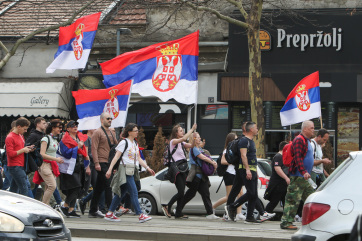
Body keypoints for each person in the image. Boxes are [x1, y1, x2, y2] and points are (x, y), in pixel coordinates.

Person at [106, 123, 155, 223]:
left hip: (132, 170)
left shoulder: (135, 143)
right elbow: (116, 157)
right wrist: (110, 169)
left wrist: (148, 168)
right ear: (129, 132)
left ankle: (110, 213)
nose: (137, 132)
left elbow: (138, 158)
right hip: (125, 170)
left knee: (121, 192)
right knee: (134, 192)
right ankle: (140, 214)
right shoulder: (124, 142)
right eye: (135, 130)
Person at [280, 120, 315, 230]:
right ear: (304, 129)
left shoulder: (307, 140)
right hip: (298, 176)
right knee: (292, 200)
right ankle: (286, 222)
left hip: (303, 177)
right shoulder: (299, 140)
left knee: (312, 198)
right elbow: (298, 157)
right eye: (311, 128)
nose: (313, 130)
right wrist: (303, 171)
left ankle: (315, 221)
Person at [226, 122, 263, 224]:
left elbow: (252, 157)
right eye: (256, 128)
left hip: (253, 169)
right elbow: (243, 156)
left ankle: (249, 217)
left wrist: (255, 170)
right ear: (251, 129)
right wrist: (247, 170)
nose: (257, 129)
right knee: (251, 193)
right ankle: (232, 206)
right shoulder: (244, 141)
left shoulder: (252, 141)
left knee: (254, 194)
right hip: (245, 170)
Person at [160, 123, 197, 219]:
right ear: (176, 133)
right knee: (181, 192)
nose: (183, 131)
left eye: (182, 130)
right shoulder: (173, 141)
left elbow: (191, 145)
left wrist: (194, 138)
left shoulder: (181, 143)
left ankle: (178, 213)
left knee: (182, 191)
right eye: (181, 130)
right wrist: (192, 129)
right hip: (176, 168)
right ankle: (167, 206)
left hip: (183, 167)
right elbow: (184, 138)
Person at [180, 132, 218, 219]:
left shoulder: (199, 148)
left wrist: (212, 162)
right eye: (198, 137)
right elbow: (203, 157)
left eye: (199, 137)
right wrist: (213, 163)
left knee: (205, 193)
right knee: (190, 194)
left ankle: (210, 213)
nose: (199, 139)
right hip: (196, 176)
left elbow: (206, 156)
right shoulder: (194, 149)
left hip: (202, 176)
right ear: (193, 139)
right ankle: (178, 209)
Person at [58, 120, 91, 218]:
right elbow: (66, 153)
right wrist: (78, 146)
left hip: (79, 165)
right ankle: (65, 205)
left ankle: (71, 209)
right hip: (69, 165)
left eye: (76, 125)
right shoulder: (65, 139)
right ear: (68, 129)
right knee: (75, 187)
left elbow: (84, 151)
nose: (75, 127)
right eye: (72, 126)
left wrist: (87, 164)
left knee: (78, 187)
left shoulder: (79, 137)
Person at [88, 113, 117, 218]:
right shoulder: (97, 132)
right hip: (101, 161)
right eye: (107, 118)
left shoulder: (112, 132)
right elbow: (93, 148)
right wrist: (96, 163)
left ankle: (92, 209)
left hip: (109, 162)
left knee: (99, 188)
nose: (110, 120)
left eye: (111, 118)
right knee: (109, 185)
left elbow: (116, 146)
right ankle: (111, 210)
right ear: (101, 120)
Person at [212, 133, 246, 221]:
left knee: (240, 194)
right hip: (229, 174)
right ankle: (213, 207)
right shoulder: (226, 150)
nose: (236, 141)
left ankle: (239, 213)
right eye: (235, 139)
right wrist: (233, 161)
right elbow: (223, 161)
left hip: (236, 174)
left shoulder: (235, 150)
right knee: (229, 196)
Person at [35, 119, 64, 206]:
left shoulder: (54, 139)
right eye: (59, 127)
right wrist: (56, 159)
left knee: (48, 187)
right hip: (45, 165)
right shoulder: (45, 138)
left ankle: (46, 205)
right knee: (52, 186)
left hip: (52, 166)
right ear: (53, 128)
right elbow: (42, 154)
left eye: (61, 127)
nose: (60, 129)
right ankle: (44, 205)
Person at [5, 118, 33, 196]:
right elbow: (10, 154)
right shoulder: (10, 137)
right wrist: (23, 149)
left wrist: (28, 148)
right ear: (19, 127)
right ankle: (23, 206)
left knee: (14, 189)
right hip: (15, 166)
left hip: (19, 165)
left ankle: (11, 205)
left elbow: (19, 148)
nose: (26, 131)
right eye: (24, 129)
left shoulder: (20, 136)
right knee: (24, 188)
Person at [264, 141, 289, 213]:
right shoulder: (278, 156)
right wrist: (286, 178)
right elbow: (277, 169)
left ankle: (286, 217)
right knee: (274, 201)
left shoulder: (283, 157)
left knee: (285, 201)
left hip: (283, 184)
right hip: (277, 184)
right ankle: (265, 213)